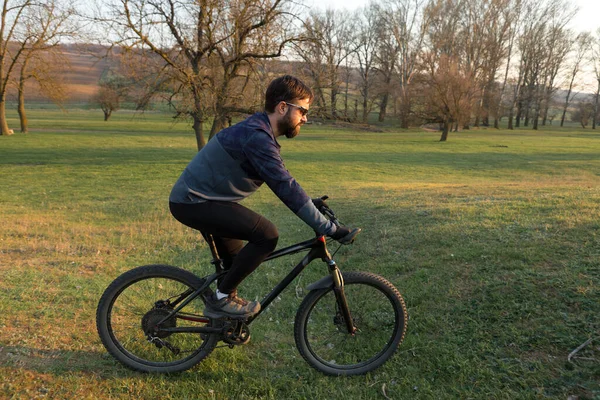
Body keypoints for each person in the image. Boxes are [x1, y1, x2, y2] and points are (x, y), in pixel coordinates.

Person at [169, 75, 354, 318]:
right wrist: (329, 228)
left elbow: (283, 179)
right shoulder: (256, 137)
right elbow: (284, 186)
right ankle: (221, 301)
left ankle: (219, 319)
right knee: (267, 235)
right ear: (282, 107)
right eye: (303, 111)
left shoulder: (260, 132)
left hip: (205, 201)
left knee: (235, 266)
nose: (305, 118)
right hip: (194, 202)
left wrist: (311, 204)